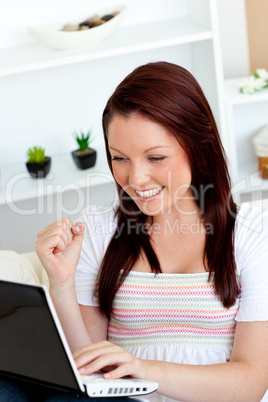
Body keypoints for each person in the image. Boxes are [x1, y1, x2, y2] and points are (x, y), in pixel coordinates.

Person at [2, 61, 268, 401]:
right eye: (120, 158)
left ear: (198, 148)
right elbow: (86, 370)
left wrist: (143, 368)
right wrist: (62, 282)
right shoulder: (100, 229)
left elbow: (250, 384)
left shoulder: (251, 234)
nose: (135, 179)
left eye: (155, 158)